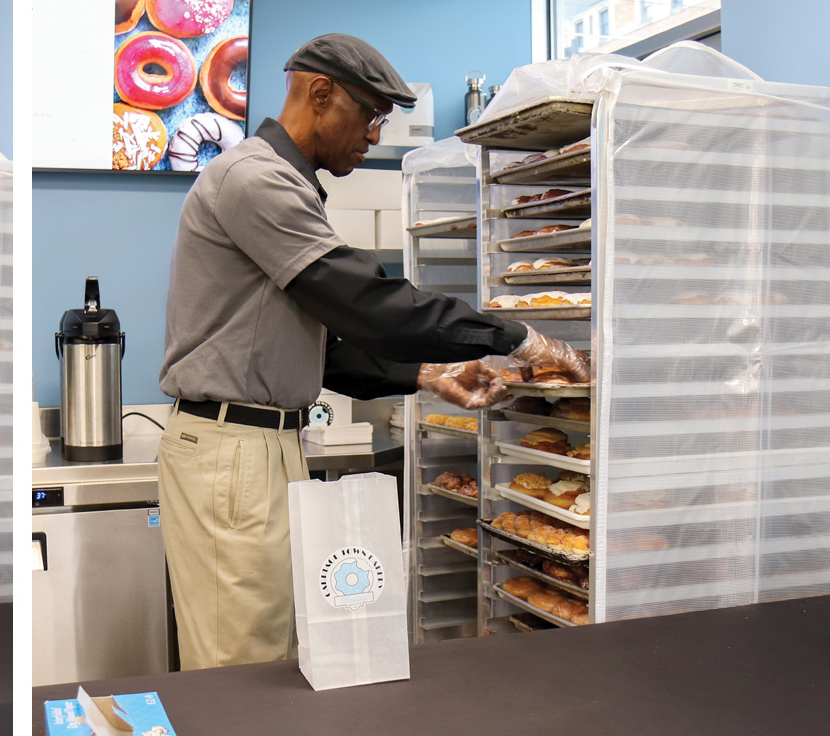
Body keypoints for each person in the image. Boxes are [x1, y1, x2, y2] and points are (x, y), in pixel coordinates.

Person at [156, 33, 589, 670]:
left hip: (261, 449)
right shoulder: (255, 180)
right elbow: (366, 302)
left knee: (272, 650)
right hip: (234, 455)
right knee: (239, 662)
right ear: (321, 92)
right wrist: (519, 335)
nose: (376, 134)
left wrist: (429, 375)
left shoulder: (286, 184)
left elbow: (323, 353)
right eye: (371, 114)